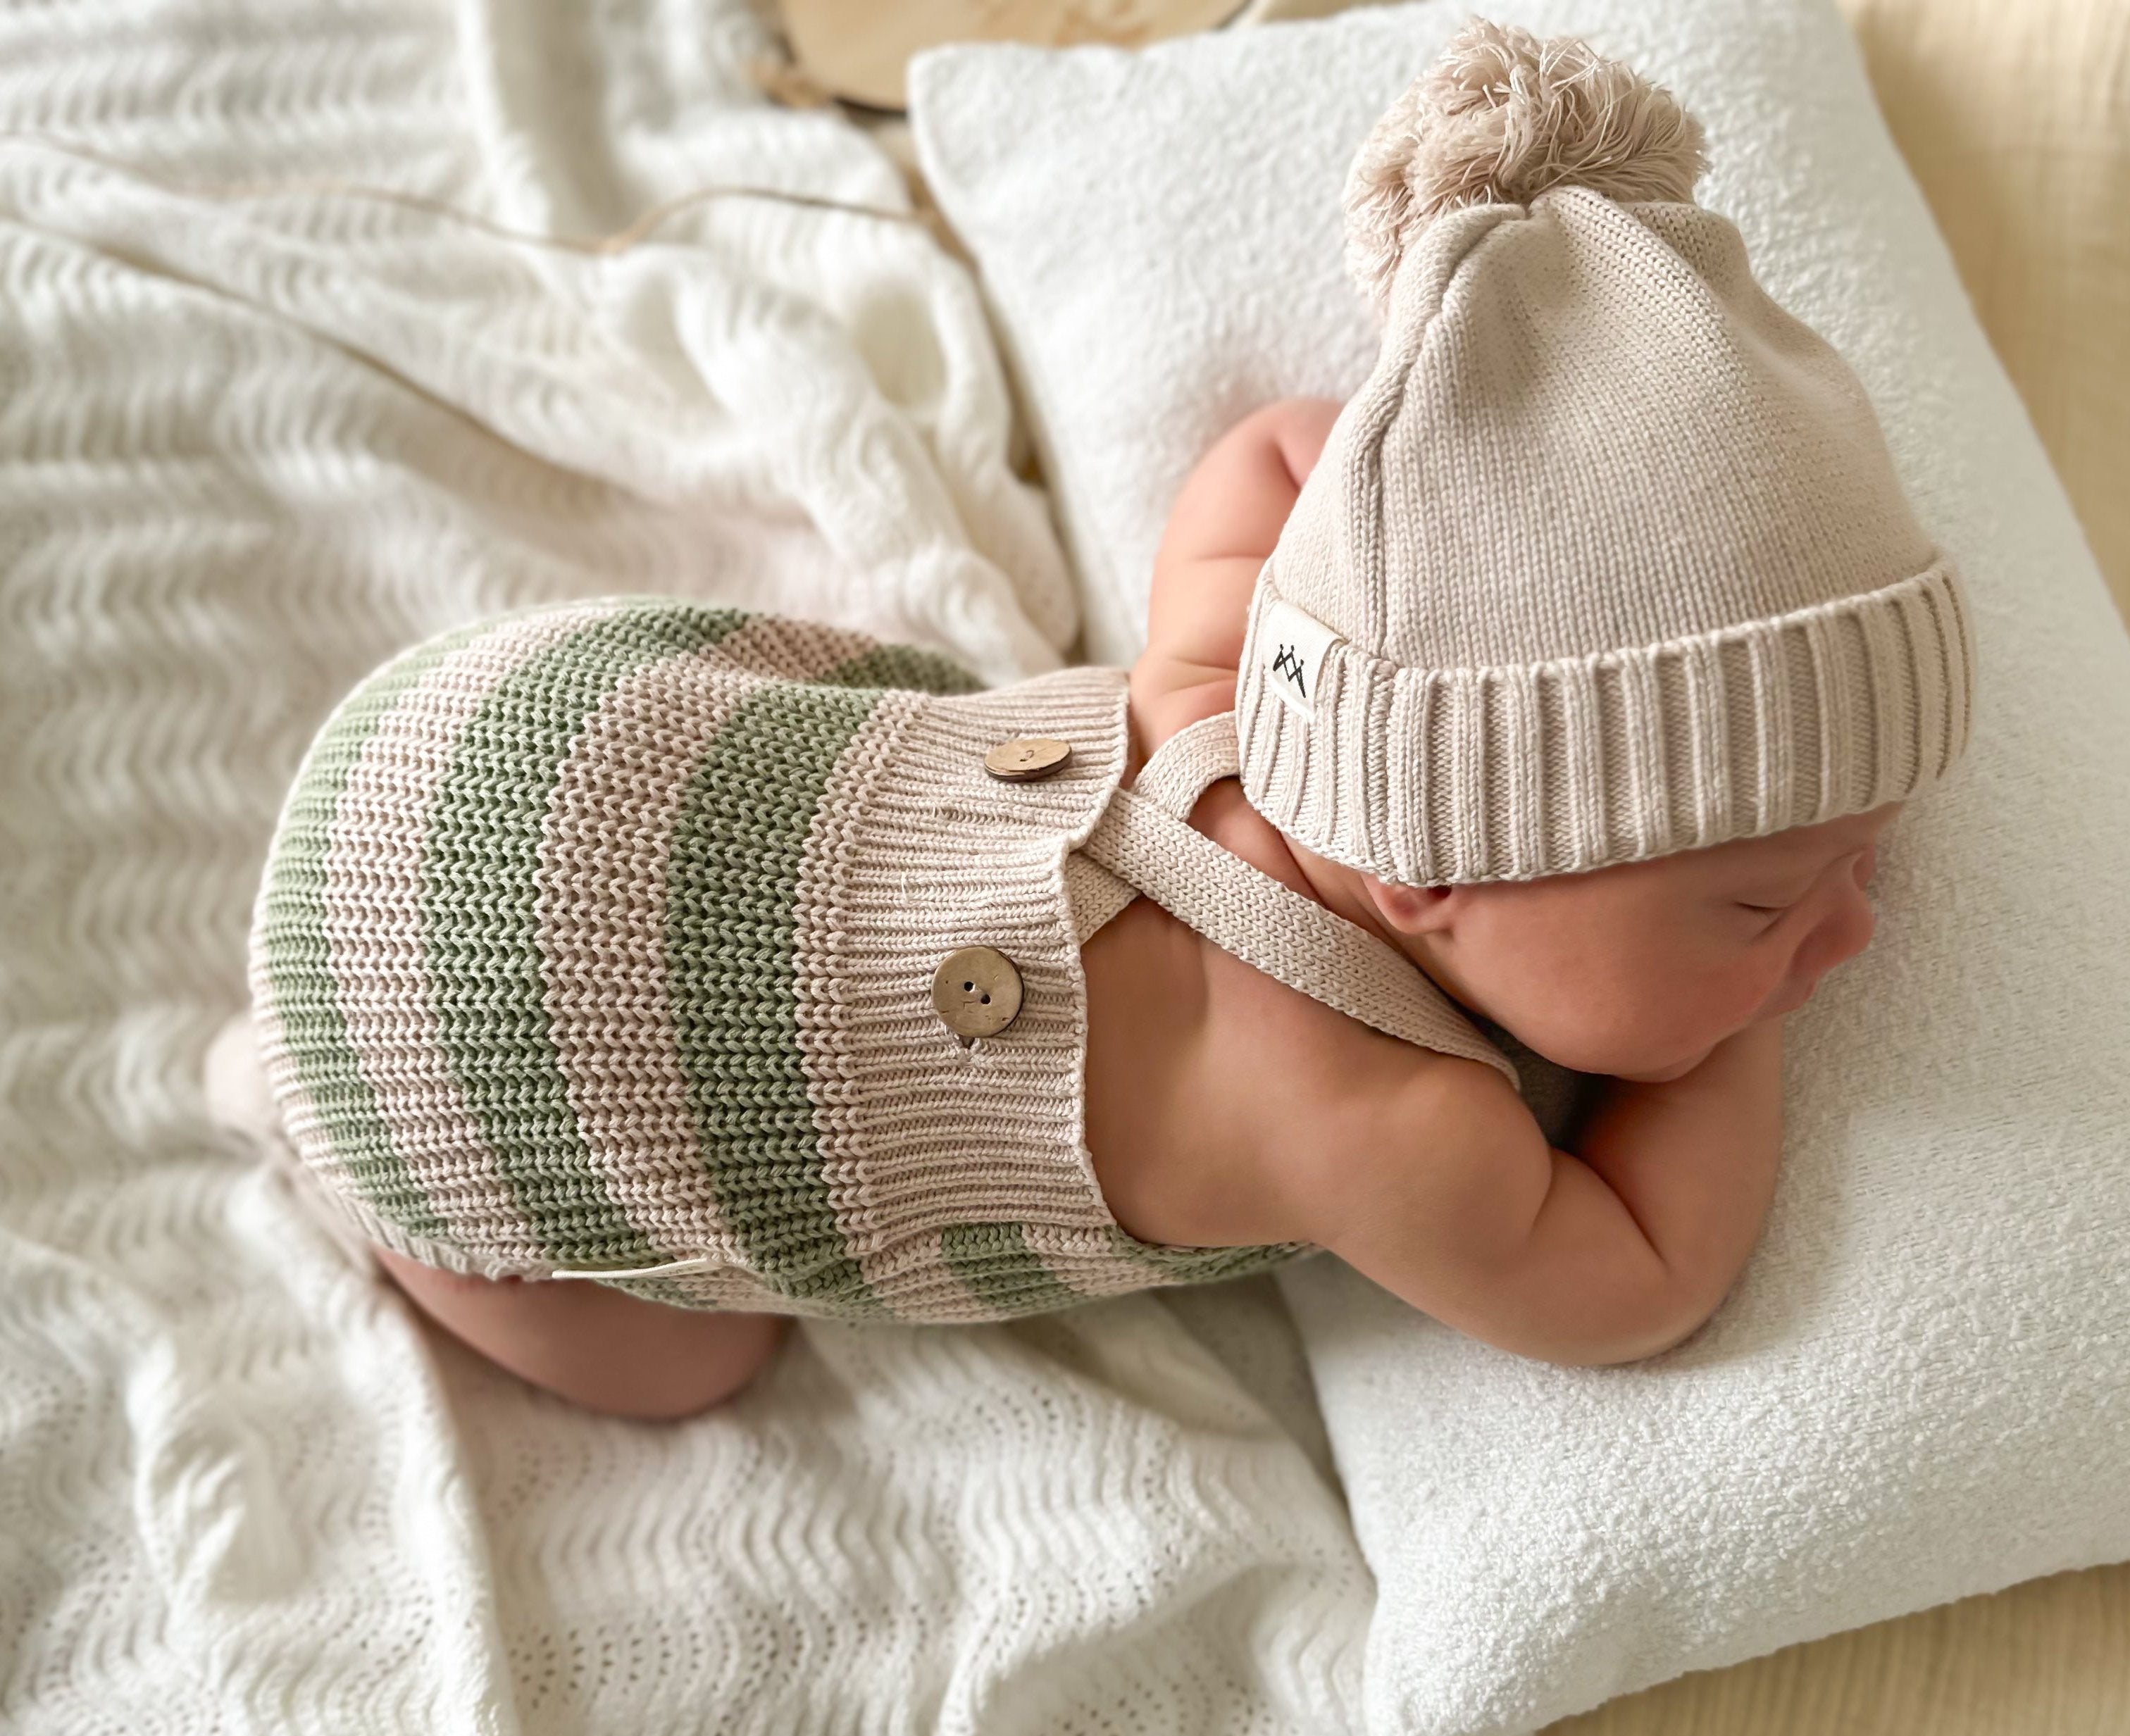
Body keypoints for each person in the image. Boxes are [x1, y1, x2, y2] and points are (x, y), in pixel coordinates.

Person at [211, 21, 1969, 1418]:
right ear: (1431, 870)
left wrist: (1442, 479)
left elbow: (1270, 459)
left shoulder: (1216, 682)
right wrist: (1738, 1036)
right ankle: (343, 1172)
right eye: (1763, 903)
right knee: (698, 1363)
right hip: (467, 1097)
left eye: (1850, 867)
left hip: (492, 736)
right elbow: (1643, 1280)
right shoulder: (1385, 1127)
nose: (1859, 934)